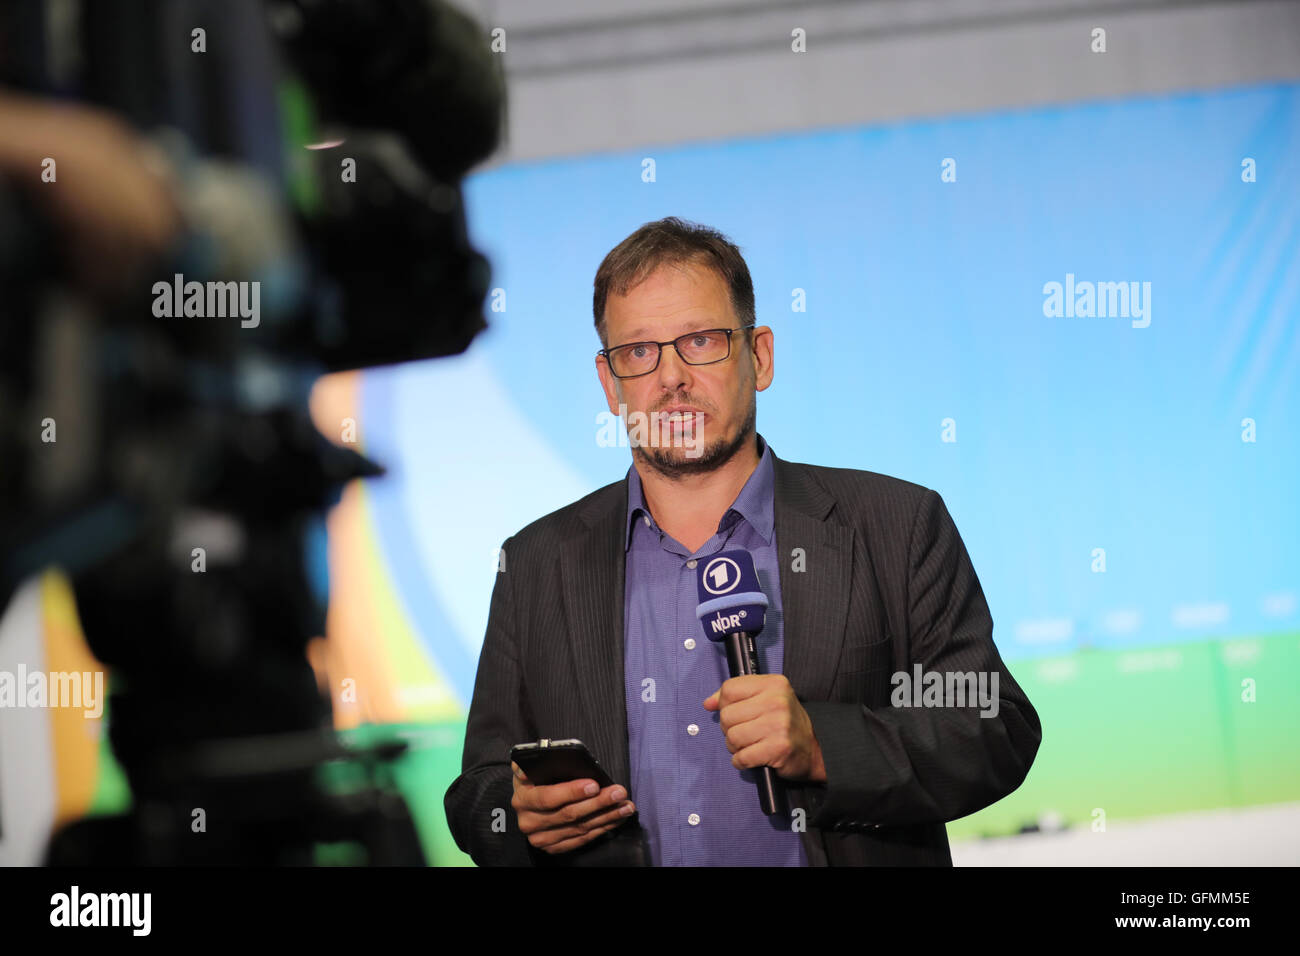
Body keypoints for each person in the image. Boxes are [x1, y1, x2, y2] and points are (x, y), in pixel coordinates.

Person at [444, 216, 1041, 866]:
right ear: (610, 384)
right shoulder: (536, 564)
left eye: (699, 340)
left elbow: (990, 727)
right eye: (639, 352)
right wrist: (518, 816)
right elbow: (476, 794)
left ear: (759, 357)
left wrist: (821, 744)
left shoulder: (895, 524)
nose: (670, 377)